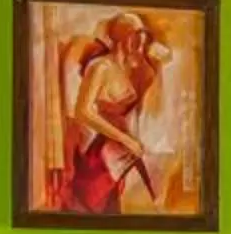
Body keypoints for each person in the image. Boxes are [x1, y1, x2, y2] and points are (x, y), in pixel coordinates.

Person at [62, 12, 166, 213]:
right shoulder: (100, 67)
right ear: (122, 37)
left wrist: (150, 62)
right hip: (96, 150)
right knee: (94, 208)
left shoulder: (135, 70)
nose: (140, 42)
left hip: (122, 151)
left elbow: (144, 107)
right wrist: (125, 140)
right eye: (135, 36)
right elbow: (83, 111)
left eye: (142, 37)